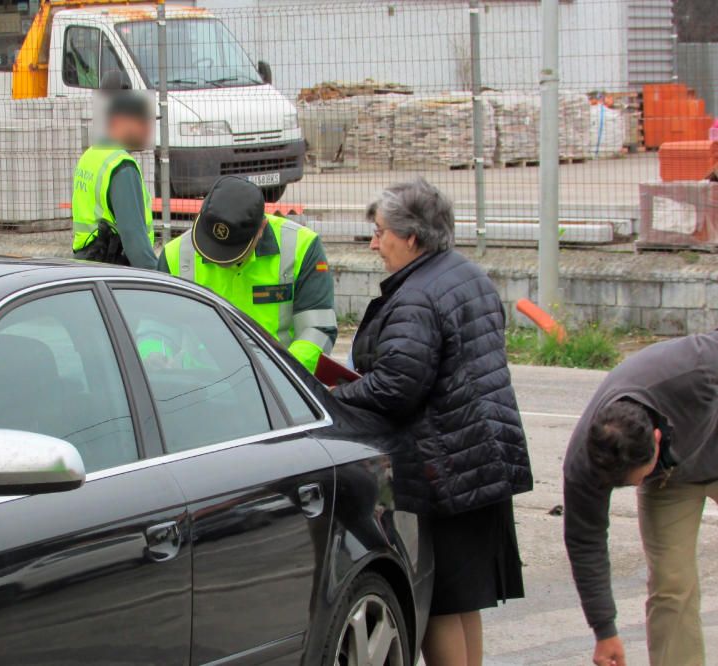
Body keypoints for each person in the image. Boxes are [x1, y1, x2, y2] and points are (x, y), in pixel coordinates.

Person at [331, 178, 532, 666]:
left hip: (440, 471)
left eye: (380, 233)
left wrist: (335, 394)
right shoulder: (464, 274)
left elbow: (398, 388)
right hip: (480, 459)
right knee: (464, 599)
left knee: (437, 602)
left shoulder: (416, 297)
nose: (375, 243)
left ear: (412, 238)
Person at [564, 332, 718, 666]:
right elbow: (585, 542)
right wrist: (604, 631)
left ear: (657, 439)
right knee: (671, 585)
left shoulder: (694, 366)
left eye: (639, 477)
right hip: (673, 480)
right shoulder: (587, 462)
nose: (637, 486)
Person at [158, 176, 336, 373]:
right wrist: (154, 358)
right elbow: (156, 326)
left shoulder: (302, 247)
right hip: (198, 385)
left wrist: (282, 377)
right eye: (212, 248)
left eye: (231, 253)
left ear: (262, 228)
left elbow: (318, 331)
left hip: (273, 384)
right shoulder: (175, 255)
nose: (220, 262)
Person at [71, 91, 155, 269]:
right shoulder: (121, 166)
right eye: (142, 122)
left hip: (87, 268)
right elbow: (136, 245)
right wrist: (160, 280)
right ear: (118, 122)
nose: (148, 129)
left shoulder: (91, 155)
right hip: (116, 272)